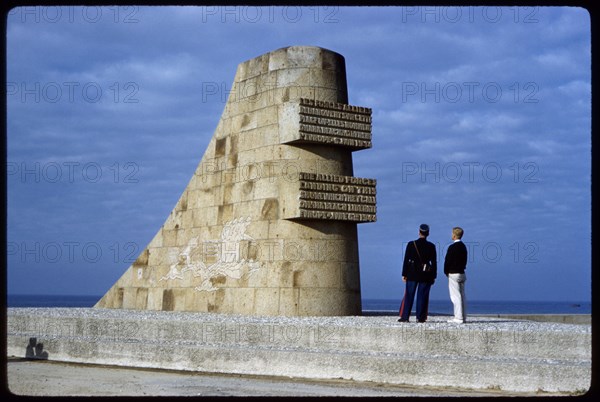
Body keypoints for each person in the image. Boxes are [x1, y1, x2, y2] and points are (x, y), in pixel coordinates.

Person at [398, 224, 437, 323]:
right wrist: (433, 276)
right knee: (422, 296)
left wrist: (404, 273)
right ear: (428, 233)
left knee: (409, 295)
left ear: (419, 232)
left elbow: (406, 260)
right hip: (425, 274)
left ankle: (405, 316)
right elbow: (434, 262)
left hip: (412, 273)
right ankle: (420, 317)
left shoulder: (411, 244)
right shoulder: (431, 246)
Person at [444, 227, 468, 324]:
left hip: (453, 273)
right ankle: (463, 316)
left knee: (455, 296)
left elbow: (447, 261)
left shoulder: (452, 247)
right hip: (462, 272)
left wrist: (446, 271)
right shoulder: (464, 246)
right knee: (462, 296)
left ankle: (458, 317)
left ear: (454, 235)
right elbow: (465, 260)